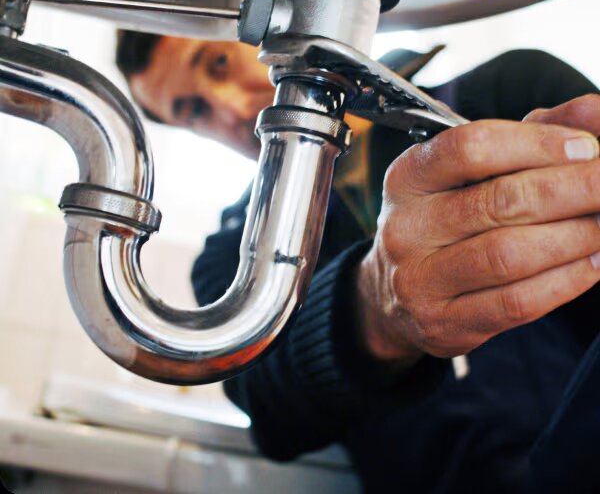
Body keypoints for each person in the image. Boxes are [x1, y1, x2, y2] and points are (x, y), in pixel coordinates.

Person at [117, 31, 600, 492]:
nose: (231, 109)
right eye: (195, 112)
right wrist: (372, 308)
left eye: (218, 62)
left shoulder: (509, 96)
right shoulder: (232, 259)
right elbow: (272, 412)